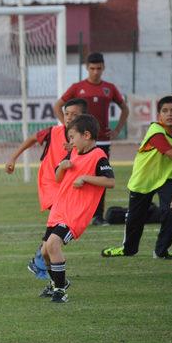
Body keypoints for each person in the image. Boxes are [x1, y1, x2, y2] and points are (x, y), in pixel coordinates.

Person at [5, 98, 87, 280]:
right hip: (50, 185)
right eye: (67, 114)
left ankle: (41, 258)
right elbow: (32, 139)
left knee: (58, 226)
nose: (69, 118)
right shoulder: (53, 132)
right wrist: (13, 158)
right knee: (59, 225)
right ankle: (43, 261)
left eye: (75, 115)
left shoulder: (83, 140)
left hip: (66, 187)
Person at [40, 114, 115, 303]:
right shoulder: (72, 153)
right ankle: (57, 283)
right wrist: (63, 167)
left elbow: (110, 181)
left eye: (72, 137)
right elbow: (58, 178)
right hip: (59, 209)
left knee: (53, 244)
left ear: (86, 135)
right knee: (44, 252)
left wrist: (86, 178)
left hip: (75, 214)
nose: (70, 141)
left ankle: (60, 290)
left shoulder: (98, 156)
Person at [53, 52, 129, 225]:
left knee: (101, 176)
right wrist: (68, 130)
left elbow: (125, 108)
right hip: (81, 141)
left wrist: (117, 130)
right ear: (87, 68)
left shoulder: (109, 88)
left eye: (99, 68)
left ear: (103, 68)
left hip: (102, 140)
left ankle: (97, 216)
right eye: (92, 68)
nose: (95, 72)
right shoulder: (77, 87)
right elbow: (58, 105)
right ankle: (75, 212)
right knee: (73, 174)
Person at [101, 96, 172, 260]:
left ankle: (161, 251)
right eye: (165, 111)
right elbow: (171, 154)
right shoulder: (155, 130)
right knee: (135, 219)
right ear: (158, 114)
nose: (169, 114)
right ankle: (127, 249)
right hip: (143, 179)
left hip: (168, 177)